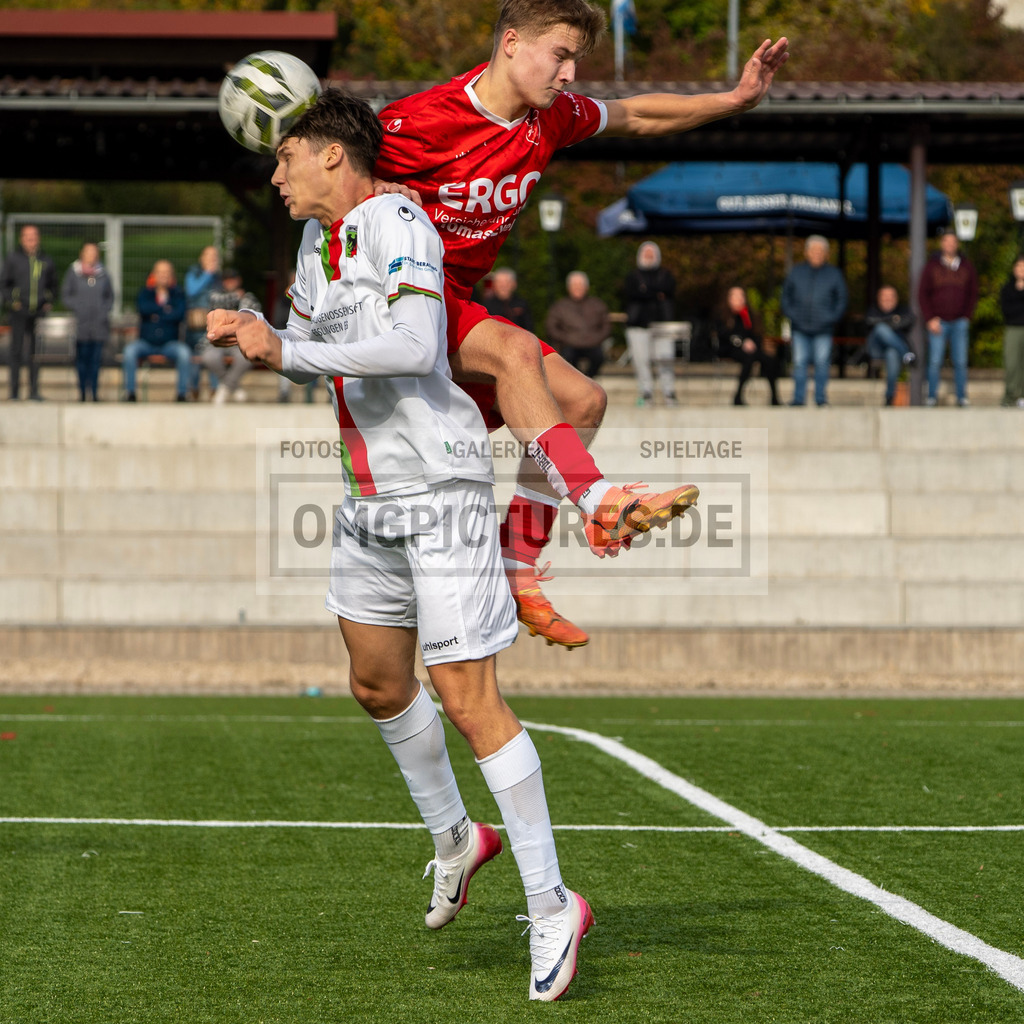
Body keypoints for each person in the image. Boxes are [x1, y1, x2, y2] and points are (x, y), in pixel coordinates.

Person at [206, 89, 592, 1003]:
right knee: (377, 681)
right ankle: (459, 836)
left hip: (443, 487)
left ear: (332, 155)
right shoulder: (313, 248)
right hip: (369, 494)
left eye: (286, 155)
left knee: (468, 697)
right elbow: (310, 345)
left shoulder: (398, 218)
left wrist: (284, 353)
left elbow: (418, 341)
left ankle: (551, 905)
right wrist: (258, 338)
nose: (276, 172)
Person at [373, 0, 785, 645]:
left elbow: (639, 114)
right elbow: (325, 179)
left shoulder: (550, 120)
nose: (569, 74)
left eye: (576, 60)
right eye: (560, 55)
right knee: (512, 349)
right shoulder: (414, 121)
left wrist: (733, 100)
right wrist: (371, 191)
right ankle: (599, 501)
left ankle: (517, 566)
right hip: (401, 306)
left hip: (456, 303)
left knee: (585, 399)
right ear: (511, 43)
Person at [781, 235, 848, 407]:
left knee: (822, 363)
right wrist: (793, 315)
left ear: (826, 254)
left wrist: (831, 318)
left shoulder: (834, 274)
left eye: (821, 251)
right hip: (799, 327)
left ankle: (820, 399)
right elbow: (785, 297)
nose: (817, 253)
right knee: (799, 364)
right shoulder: (796, 272)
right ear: (807, 252)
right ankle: (798, 399)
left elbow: (842, 300)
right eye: (813, 250)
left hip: (824, 328)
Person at [918, 228, 978, 407]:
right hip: (938, 321)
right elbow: (922, 294)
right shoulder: (932, 267)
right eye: (947, 241)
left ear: (957, 245)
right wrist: (930, 318)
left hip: (960, 321)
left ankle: (962, 397)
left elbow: (973, 293)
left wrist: (967, 316)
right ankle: (931, 396)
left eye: (953, 242)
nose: (950, 245)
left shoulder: (967, 267)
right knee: (935, 360)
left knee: (960, 361)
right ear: (942, 244)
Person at [1, 223, 56, 401]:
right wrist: (13, 301)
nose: (31, 241)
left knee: (36, 352)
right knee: (16, 351)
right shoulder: (13, 259)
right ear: (22, 239)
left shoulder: (46, 260)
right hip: (19, 310)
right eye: (27, 237)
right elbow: (5, 284)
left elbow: (53, 284)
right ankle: (14, 392)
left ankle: (34, 391)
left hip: (38, 312)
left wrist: (48, 300)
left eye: (34, 237)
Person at [122, 259, 189, 402]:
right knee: (129, 351)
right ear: (154, 274)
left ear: (171, 275)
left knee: (184, 353)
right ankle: (130, 393)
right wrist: (166, 309)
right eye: (160, 272)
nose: (163, 275)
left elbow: (179, 314)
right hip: (146, 343)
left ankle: (182, 394)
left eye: (166, 272)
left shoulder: (178, 294)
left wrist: (156, 314)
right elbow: (143, 309)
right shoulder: (145, 293)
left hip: (169, 344)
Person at [622, 240, 678, 406]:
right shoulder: (632, 276)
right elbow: (632, 294)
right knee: (641, 360)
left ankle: (669, 392)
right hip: (638, 326)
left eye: (651, 254)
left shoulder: (666, 275)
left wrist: (646, 291)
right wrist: (655, 293)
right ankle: (646, 392)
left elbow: (669, 291)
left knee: (665, 358)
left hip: (662, 325)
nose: (649, 257)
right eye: (646, 254)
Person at [60, 241, 114, 402]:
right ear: (82, 254)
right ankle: (82, 392)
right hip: (81, 324)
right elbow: (66, 296)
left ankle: (95, 393)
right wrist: (79, 307)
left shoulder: (103, 274)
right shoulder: (73, 272)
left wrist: (103, 310)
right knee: (81, 360)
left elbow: (110, 297)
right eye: (88, 252)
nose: (91, 255)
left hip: (99, 325)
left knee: (96, 361)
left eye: (94, 252)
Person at [199, 268, 261, 403]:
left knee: (247, 357)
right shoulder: (215, 295)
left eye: (232, 279)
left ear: (239, 280)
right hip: (217, 340)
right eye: (226, 280)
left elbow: (252, 317)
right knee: (208, 357)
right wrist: (235, 298)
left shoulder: (249, 297)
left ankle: (225, 388)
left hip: (239, 341)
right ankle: (234, 388)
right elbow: (215, 303)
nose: (230, 282)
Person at [715, 285, 780, 406]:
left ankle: (774, 397)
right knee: (748, 359)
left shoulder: (748, 315)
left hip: (751, 349)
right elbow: (724, 335)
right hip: (730, 349)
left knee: (770, 360)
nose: (739, 299)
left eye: (741, 296)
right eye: (735, 296)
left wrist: (753, 343)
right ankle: (738, 396)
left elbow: (756, 334)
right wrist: (742, 342)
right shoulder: (724, 315)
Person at [544, 270, 609, 379]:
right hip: (569, 344)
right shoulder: (560, 306)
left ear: (586, 287)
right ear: (568, 287)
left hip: (592, 344)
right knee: (567, 358)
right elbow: (551, 326)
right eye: (574, 285)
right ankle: (576, 381)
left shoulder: (597, 304)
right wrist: (566, 338)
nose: (578, 288)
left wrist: (596, 339)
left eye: (580, 285)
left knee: (599, 357)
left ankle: (588, 380)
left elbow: (606, 326)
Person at [863, 284, 916, 407]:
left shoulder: (902, 310)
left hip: (891, 349)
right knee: (881, 329)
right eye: (884, 296)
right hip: (875, 349)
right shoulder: (873, 310)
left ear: (896, 298)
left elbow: (909, 320)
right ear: (879, 298)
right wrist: (893, 320)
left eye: (891, 296)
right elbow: (869, 321)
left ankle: (889, 397)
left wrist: (887, 321)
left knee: (892, 353)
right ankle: (906, 353)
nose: (888, 299)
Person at [184, 245, 221, 398]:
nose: (212, 259)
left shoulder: (218, 277)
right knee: (195, 355)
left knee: (213, 352)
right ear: (201, 258)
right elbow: (191, 290)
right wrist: (207, 274)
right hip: (196, 323)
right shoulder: (194, 272)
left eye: (215, 257)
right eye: (209, 256)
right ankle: (194, 387)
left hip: (214, 323)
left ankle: (215, 389)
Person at [999, 254, 1024, 408]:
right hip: (1013, 328)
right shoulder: (1007, 288)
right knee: (1012, 363)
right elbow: (1007, 310)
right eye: (1019, 267)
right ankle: (1010, 396)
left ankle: (1022, 395)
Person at [481, 267, 534, 332]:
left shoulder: (522, 304)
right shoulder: (487, 305)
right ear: (494, 285)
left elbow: (529, 327)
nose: (503, 286)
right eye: (500, 282)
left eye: (507, 282)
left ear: (514, 284)